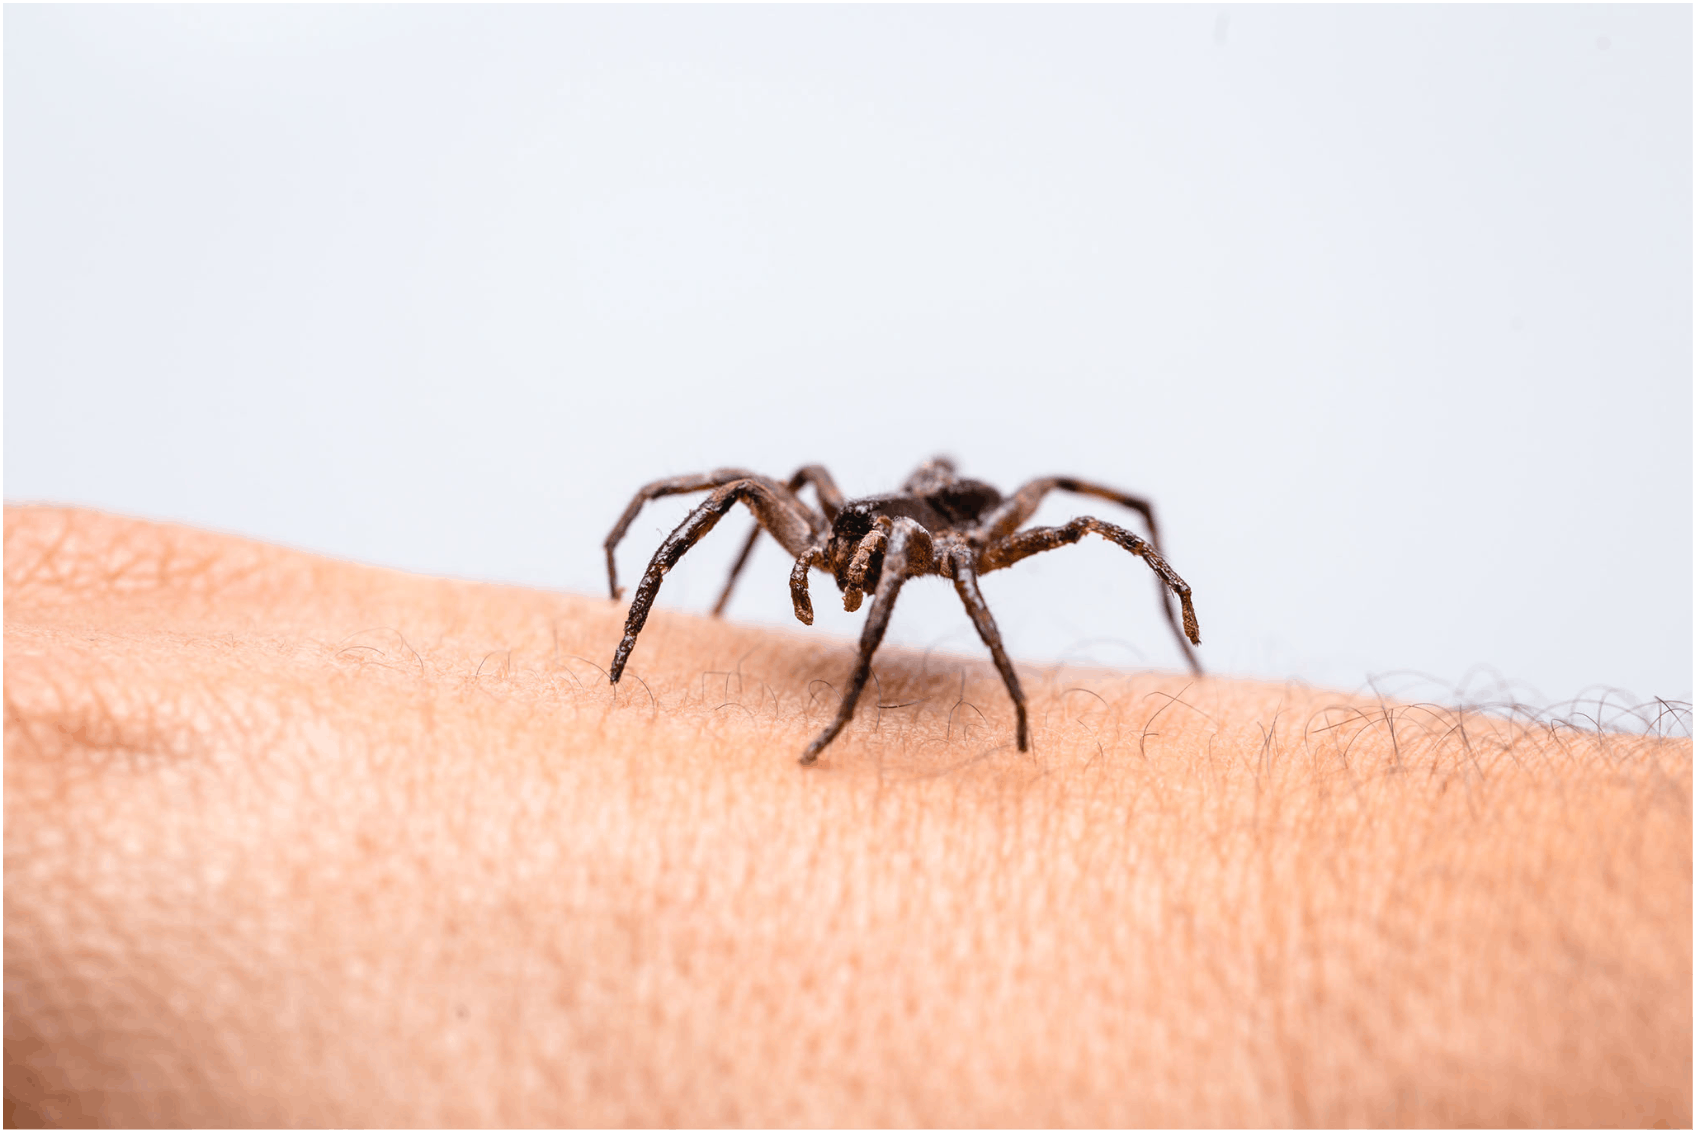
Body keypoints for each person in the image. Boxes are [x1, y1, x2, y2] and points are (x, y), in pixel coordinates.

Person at [3, 505, 1690, 1127]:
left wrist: (1013, 709)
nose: (876, 572)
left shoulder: (958, 549)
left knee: (1089, 521)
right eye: (856, 557)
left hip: (962, 540)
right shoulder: (830, 528)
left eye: (887, 565)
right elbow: (714, 503)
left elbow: (1099, 515)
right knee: (722, 497)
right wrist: (666, 580)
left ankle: (993, 681)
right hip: (864, 520)